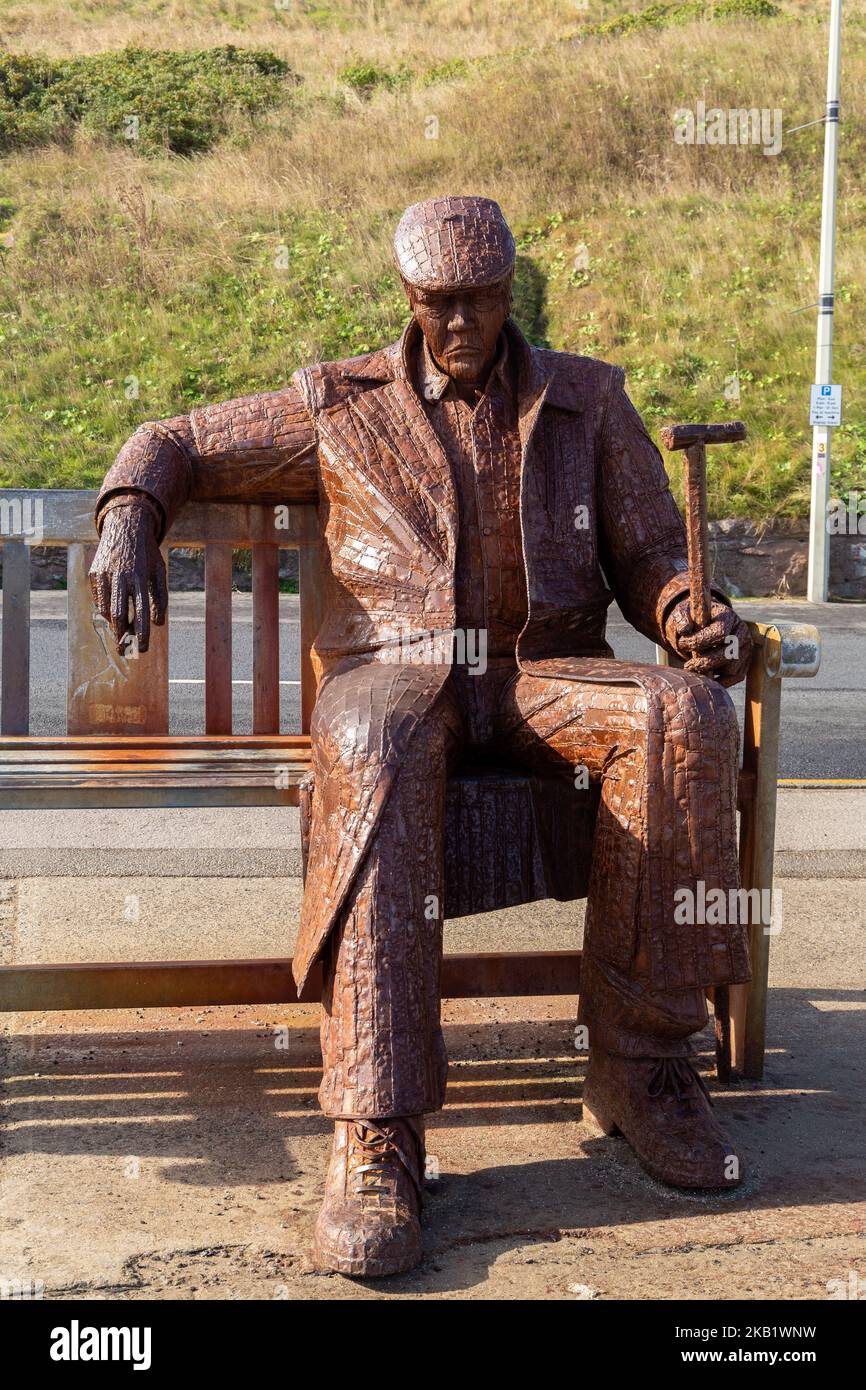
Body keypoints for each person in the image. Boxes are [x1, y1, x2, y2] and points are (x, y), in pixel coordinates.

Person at [90, 196, 752, 1279]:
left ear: (507, 292)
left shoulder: (584, 400)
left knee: (680, 713)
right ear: (406, 298)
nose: (459, 323)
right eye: (438, 303)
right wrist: (128, 508)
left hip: (543, 673)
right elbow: (175, 441)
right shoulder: (336, 403)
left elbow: (645, 547)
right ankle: (376, 1126)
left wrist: (683, 606)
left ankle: (639, 1063)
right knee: (371, 742)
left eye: (479, 300)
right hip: (398, 672)